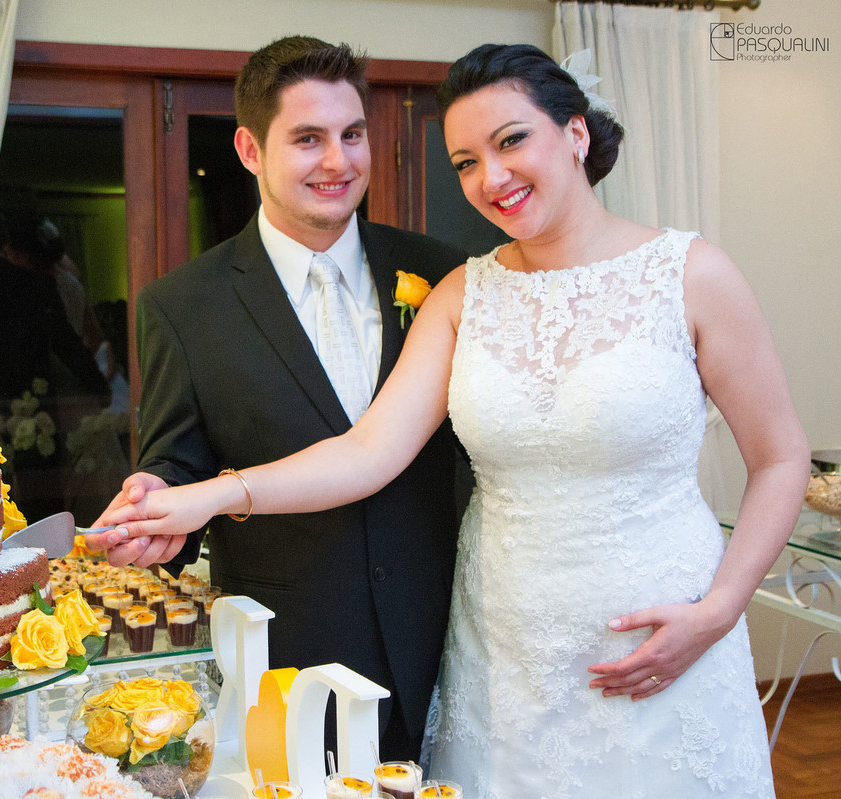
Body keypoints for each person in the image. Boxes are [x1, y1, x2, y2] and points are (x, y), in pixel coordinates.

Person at [95, 43, 808, 796]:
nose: (491, 178)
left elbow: (781, 457)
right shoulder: (465, 291)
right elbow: (370, 449)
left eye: (510, 142)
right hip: (504, 656)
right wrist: (209, 493)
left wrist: (723, 608)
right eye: (466, 161)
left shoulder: (692, 274)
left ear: (576, 134)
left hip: (663, 628)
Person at [85, 36, 469, 761]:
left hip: (448, 639)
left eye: (352, 134)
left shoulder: (441, 272)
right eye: (308, 139)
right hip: (292, 660)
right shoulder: (183, 305)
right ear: (250, 149)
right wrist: (154, 496)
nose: (339, 161)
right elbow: (175, 461)